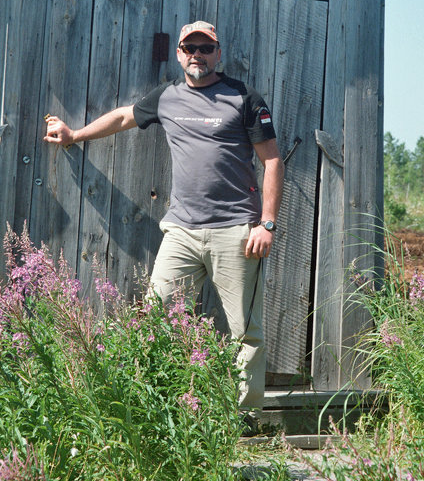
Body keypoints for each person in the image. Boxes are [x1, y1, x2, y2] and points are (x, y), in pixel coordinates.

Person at [43, 20, 284, 411]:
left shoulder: (244, 98)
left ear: (218, 53)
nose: (198, 55)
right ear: (179, 55)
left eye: (206, 48)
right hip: (181, 232)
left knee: (245, 333)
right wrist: (75, 136)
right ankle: (158, 408)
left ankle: (245, 419)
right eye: (190, 48)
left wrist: (266, 223)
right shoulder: (167, 97)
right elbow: (123, 117)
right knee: (155, 322)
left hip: (236, 232)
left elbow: (272, 161)